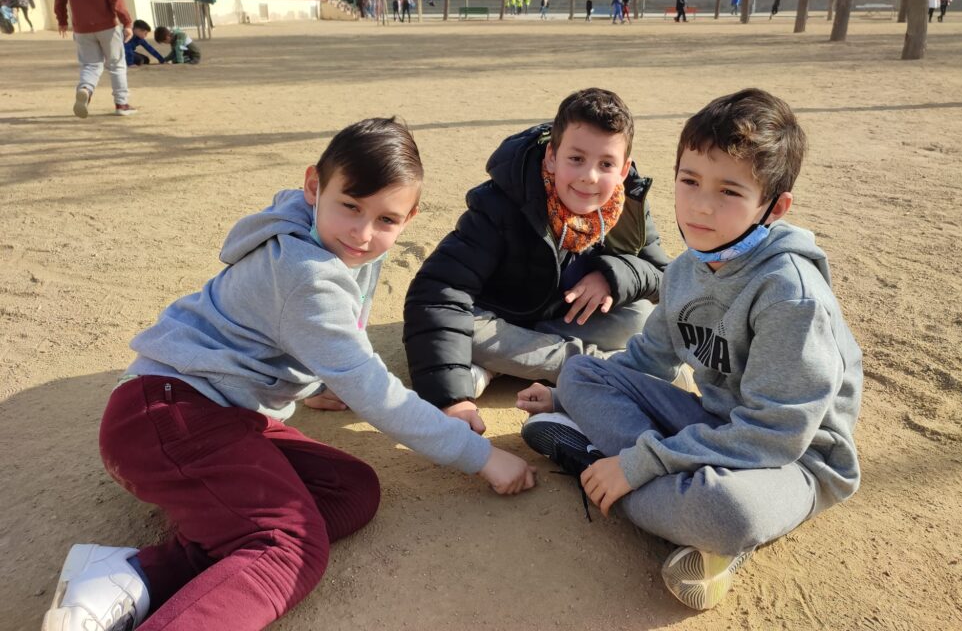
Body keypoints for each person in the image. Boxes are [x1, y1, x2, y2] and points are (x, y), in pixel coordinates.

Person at [41, 117, 536, 631]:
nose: (363, 233)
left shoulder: (320, 233)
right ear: (314, 186)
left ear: (408, 218)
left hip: (216, 411)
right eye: (351, 206)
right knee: (289, 548)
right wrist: (479, 456)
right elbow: (374, 391)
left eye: (386, 219)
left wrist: (318, 379)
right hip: (167, 416)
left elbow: (299, 328)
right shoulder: (306, 275)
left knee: (349, 491)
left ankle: (130, 576)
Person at [516, 88, 862, 612]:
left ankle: (595, 460)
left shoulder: (790, 295)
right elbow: (646, 360)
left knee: (728, 513)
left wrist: (641, 462)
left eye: (730, 191)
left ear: (774, 206)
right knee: (581, 372)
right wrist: (566, 395)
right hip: (712, 426)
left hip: (793, 461)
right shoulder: (685, 270)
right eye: (690, 181)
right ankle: (652, 491)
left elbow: (775, 435)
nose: (701, 205)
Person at [399, 88, 669, 435]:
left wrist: (612, 275)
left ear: (624, 169)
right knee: (465, 328)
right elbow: (436, 291)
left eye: (606, 164)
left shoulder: (628, 205)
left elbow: (662, 276)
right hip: (495, 319)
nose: (589, 176)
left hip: (561, 319)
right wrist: (451, 400)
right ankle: (595, 368)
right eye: (576, 159)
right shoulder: (501, 202)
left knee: (639, 317)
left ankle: (500, 365)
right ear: (552, 157)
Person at [54, 0, 136, 118]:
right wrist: (127, 23)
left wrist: (62, 20)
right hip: (107, 26)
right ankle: (121, 104)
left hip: (81, 28)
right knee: (116, 65)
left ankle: (85, 89)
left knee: (90, 65)